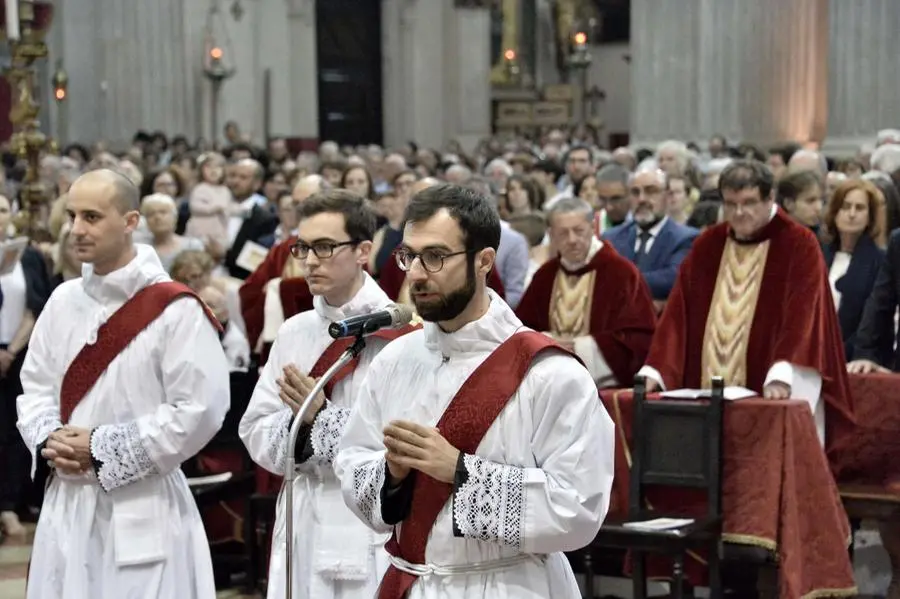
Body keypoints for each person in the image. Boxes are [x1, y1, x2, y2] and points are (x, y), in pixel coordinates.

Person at [335, 184, 614, 599]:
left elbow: (579, 508)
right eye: (408, 256)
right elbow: (352, 461)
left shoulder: (548, 373)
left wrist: (460, 471)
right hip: (413, 582)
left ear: (484, 261)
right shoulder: (395, 361)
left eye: (435, 257)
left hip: (509, 584)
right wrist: (391, 475)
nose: (414, 273)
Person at [16, 169, 230, 598]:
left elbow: (200, 409)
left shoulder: (175, 309)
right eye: (72, 216)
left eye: (92, 217)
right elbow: (35, 386)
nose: (76, 229)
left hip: (143, 504)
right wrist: (50, 439)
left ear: (131, 221)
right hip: (67, 502)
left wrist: (99, 446)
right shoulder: (62, 301)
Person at [239, 189, 418, 599]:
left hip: (366, 521)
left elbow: (397, 442)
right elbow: (254, 429)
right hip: (303, 514)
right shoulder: (294, 331)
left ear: (363, 251)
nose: (310, 260)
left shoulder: (399, 336)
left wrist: (320, 418)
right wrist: (303, 426)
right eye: (303, 247)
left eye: (325, 247)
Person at [639, 160, 854, 448]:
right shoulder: (708, 244)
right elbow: (678, 313)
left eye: (750, 202)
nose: (739, 213)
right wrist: (657, 368)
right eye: (731, 204)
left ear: (770, 199)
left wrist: (783, 372)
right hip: (703, 393)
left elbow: (804, 316)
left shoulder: (799, 244)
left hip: (769, 383)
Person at [515, 197, 657, 388]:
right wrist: (546, 343)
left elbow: (638, 340)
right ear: (552, 235)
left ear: (592, 228)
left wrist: (578, 348)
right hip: (548, 384)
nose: (572, 240)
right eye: (563, 233)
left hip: (603, 388)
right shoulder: (545, 276)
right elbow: (521, 331)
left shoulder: (622, 274)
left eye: (579, 231)